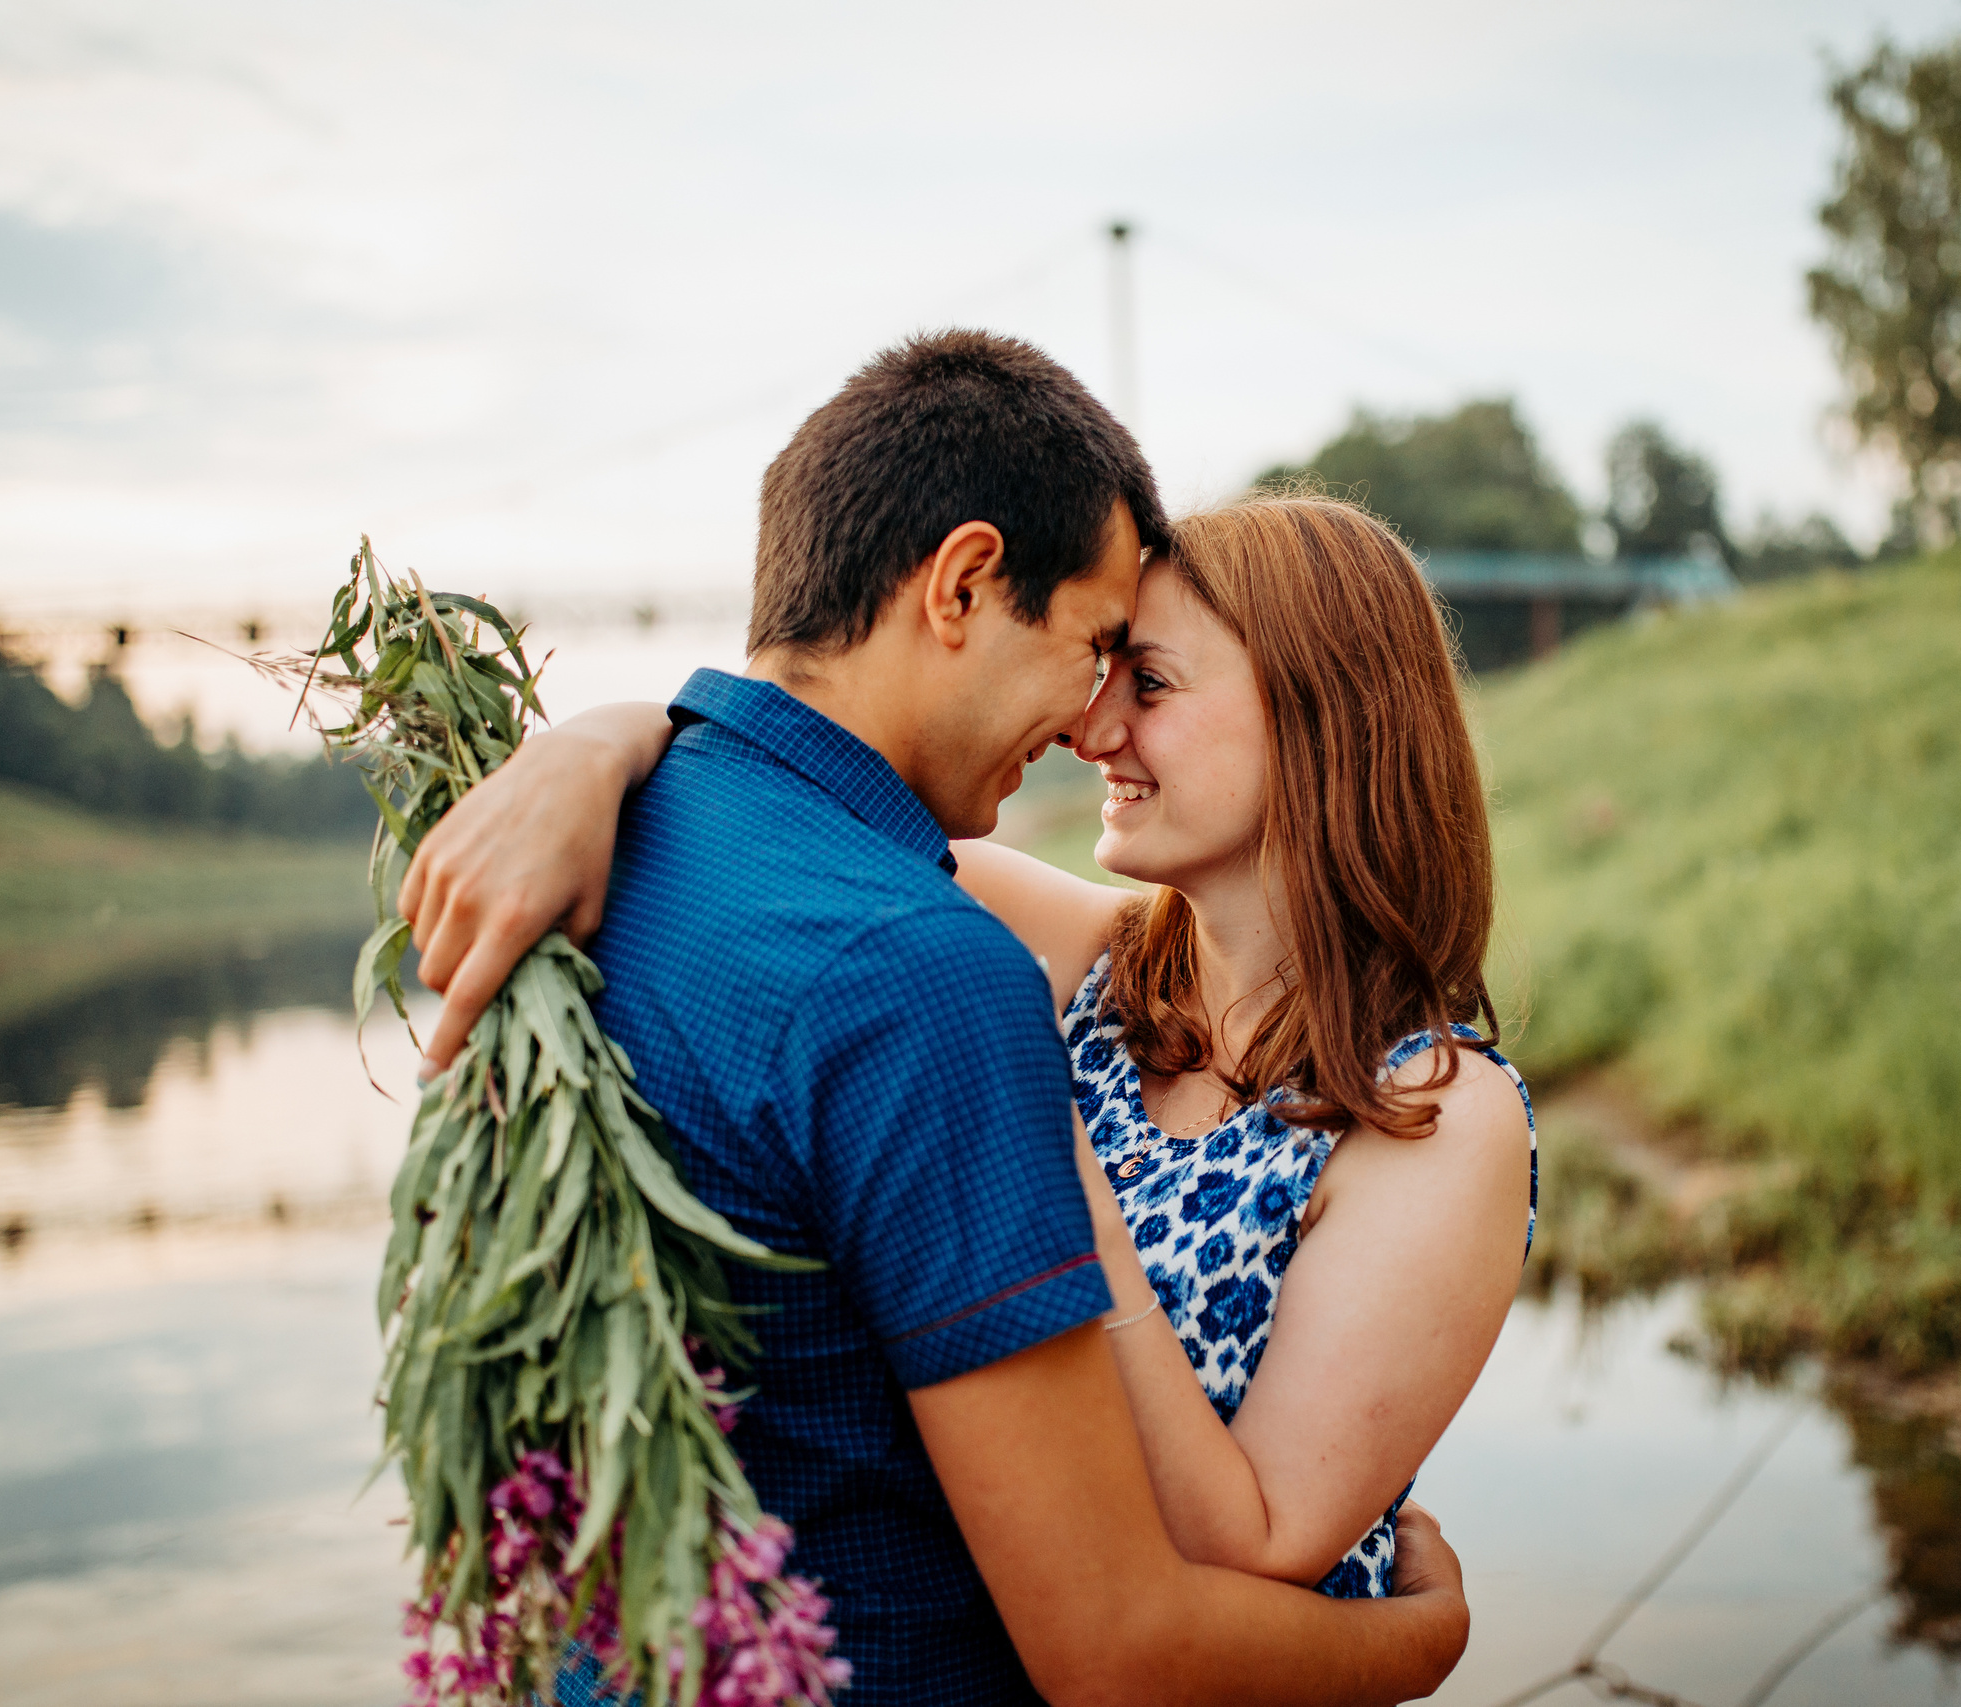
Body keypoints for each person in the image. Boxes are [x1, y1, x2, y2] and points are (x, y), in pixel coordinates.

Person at [402, 330, 1470, 1707]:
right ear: (962, 584)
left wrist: (598, 745)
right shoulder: (930, 969)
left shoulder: (641, 847)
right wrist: (1421, 1646)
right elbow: (1111, 1647)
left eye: (1141, 677)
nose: (1088, 721)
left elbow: (743, 742)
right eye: (1095, 650)